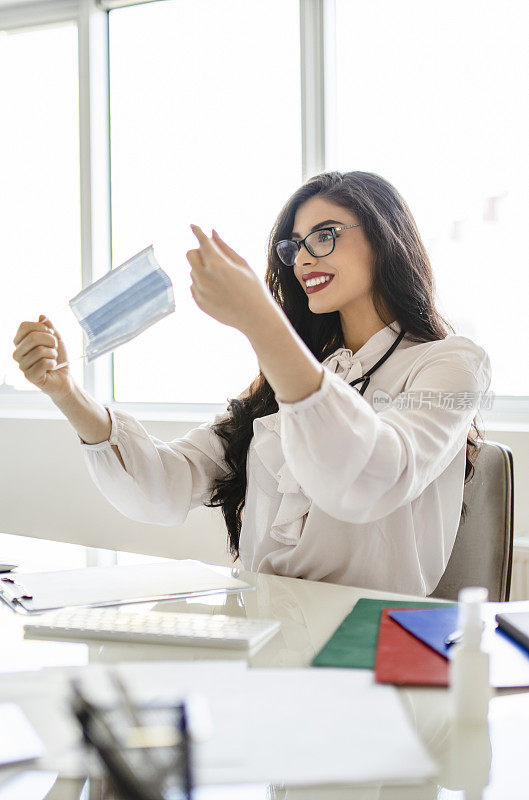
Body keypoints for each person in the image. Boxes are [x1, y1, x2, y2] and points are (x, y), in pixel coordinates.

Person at [12, 170, 491, 596]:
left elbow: (371, 477)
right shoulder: (287, 381)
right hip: (263, 626)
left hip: (363, 639)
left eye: (324, 236)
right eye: (294, 245)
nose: (302, 258)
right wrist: (66, 393)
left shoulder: (451, 362)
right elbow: (163, 486)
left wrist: (260, 322)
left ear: (385, 237)